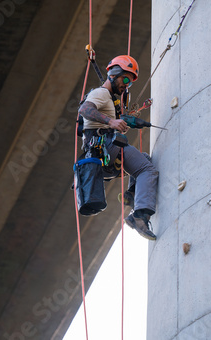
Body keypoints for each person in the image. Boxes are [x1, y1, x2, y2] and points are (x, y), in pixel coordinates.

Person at [78, 55, 158, 241]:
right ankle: (140, 216)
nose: (127, 85)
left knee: (144, 158)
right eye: (126, 79)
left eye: (130, 82)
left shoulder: (110, 99)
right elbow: (84, 110)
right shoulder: (101, 93)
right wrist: (111, 121)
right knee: (147, 170)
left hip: (104, 156)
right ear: (114, 73)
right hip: (104, 147)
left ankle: (131, 195)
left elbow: (113, 117)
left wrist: (128, 118)